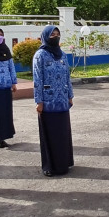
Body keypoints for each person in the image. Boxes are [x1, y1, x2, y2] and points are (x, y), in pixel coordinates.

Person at [33, 26, 74, 176]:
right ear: (45, 37)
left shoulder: (62, 55)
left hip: (62, 101)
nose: (55, 37)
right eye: (52, 35)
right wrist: (39, 101)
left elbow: (67, 77)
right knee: (49, 135)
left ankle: (64, 163)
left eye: (57, 34)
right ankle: (49, 166)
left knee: (62, 134)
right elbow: (37, 79)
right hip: (48, 102)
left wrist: (70, 95)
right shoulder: (40, 55)